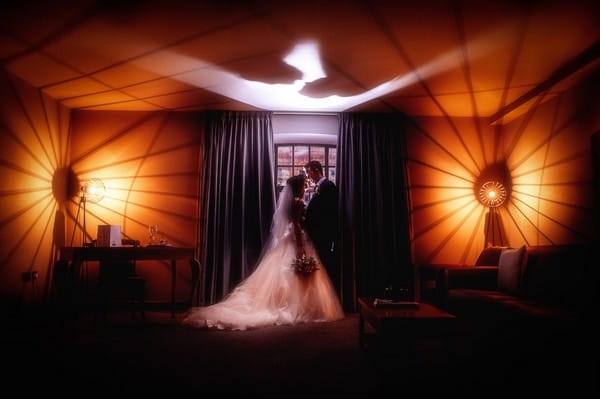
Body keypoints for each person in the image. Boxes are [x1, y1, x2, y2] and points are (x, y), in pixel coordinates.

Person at [181, 174, 344, 330]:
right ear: (298, 187)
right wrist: (301, 244)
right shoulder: (298, 202)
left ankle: (287, 304)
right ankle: (296, 307)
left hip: (292, 236)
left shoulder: (292, 201)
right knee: (295, 272)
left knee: (285, 273)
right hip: (296, 236)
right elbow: (295, 223)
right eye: (303, 185)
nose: (305, 187)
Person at [303, 160, 339, 294]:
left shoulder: (328, 186)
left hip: (323, 235)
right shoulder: (320, 187)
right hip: (316, 235)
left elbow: (329, 213)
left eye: (308, 172)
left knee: (324, 266)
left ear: (316, 170)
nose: (308, 176)